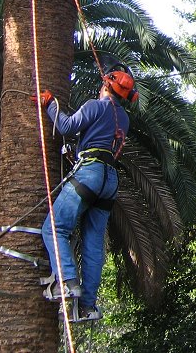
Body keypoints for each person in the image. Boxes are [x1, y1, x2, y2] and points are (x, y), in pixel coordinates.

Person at [34, 68, 138, 321]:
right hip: (110, 181)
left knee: (54, 228)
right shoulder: (124, 118)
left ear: (106, 86)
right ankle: (87, 307)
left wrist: (50, 104)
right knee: (93, 244)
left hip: (90, 173)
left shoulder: (95, 106)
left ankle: (67, 281)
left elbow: (66, 126)